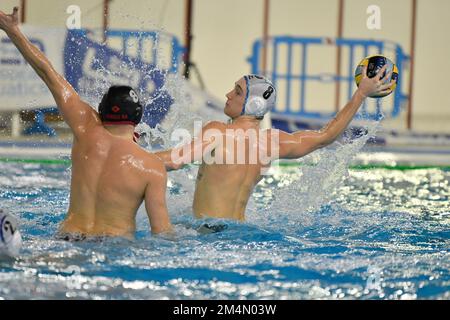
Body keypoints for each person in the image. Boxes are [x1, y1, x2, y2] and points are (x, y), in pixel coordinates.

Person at [0, 7, 172, 239]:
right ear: (138, 119)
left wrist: (13, 30)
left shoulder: (86, 127)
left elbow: (48, 74)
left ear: (101, 111)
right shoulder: (152, 168)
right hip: (112, 247)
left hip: (68, 238)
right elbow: (162, 235)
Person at [157, 70, 394, 222]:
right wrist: (360, 94)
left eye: (237, 92)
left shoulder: (217, 131)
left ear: (254, 104)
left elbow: (174, 161)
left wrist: (127, 156)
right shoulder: (272, 142)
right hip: (240, 237)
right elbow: (327, 136)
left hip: (206, 236)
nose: (228, 94)